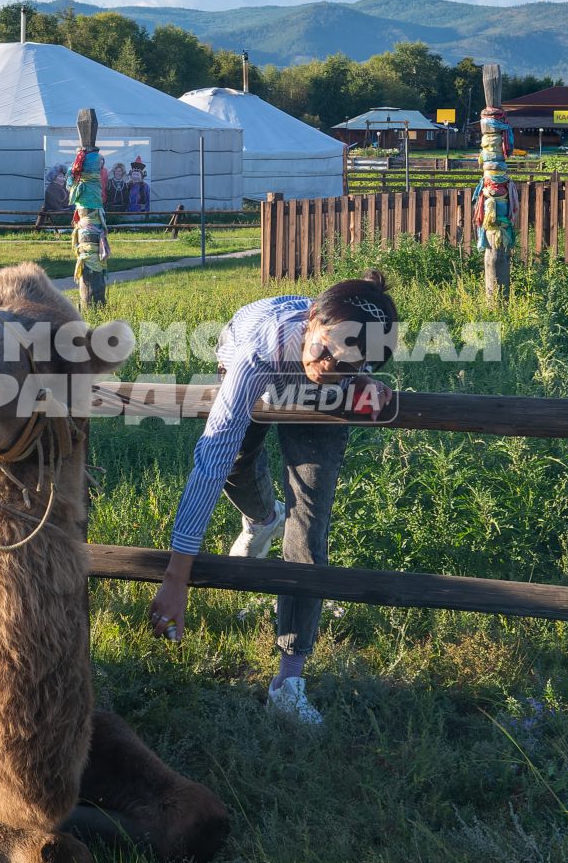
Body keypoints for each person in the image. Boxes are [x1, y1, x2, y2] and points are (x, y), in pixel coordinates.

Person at [148, 271, 399, 725]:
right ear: (310, 322)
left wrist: (366, 385)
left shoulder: (347, 356)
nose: (325, 365)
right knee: (235, 467)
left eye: (346, 363)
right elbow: (212, 456)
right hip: (256, 369)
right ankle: (262, 518)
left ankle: (289, 680)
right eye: (322, 347)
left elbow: (351, 366)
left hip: (316, 401)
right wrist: (175, 577)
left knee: (307, 528)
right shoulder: (257, 353)